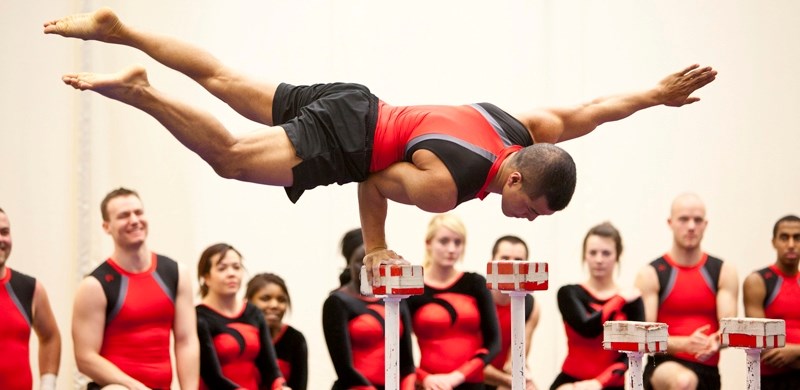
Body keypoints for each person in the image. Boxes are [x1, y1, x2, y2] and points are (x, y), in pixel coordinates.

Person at [44, 8, 717, 276]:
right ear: (517, 183)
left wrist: (653, 96)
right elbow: (372, 181)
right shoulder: (447, 186)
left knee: (223, 78)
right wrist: (377, 249)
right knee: (227, 158)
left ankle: (122, 31)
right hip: (349, 139)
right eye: (532, 211)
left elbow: (592, 111)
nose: (526, 222)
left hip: (359, 98)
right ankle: (143, 89)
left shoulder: (520, 128)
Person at [72, 188, 199, 390]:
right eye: (123, 216)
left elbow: (186, 341)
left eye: (138, 212)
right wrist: (135, 387)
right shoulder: (94, 286)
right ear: (107, 226)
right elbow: (85, 357)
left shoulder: (176, 273)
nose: (134, 220)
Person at [635, 194, 738, 390]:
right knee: (684, 381)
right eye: (684, 219)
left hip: (708, 371)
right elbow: (642, 338)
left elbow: (729, 330)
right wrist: (684, 344)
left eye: (697, 220)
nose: (691, 226)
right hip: (663, 367)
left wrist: (717, 341)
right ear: (670, 222)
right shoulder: (650, 274)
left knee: (689, 381)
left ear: (705, 224)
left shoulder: (724, 271)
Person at [406, 214, 501, 390]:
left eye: (458, 242)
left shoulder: (475, 283)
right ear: (428, 243)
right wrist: (424, 378)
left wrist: (458, 376)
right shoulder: (412, 289)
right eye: (444, 241)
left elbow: (494, 342)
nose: (452, 249)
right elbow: (398, 348)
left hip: (471, 383)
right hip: (431, 385)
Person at [550, 222, 644, 390]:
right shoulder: (568, 293)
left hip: (611, 384)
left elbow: (634, 354)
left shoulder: (633, 299)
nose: (599, 260)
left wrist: (598, 383)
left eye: (606, 253)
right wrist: (619, 299)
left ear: (617, 256)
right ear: (585, 255)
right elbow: (587, 327)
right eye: (593, 253)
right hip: (571, 382)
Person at [322, 228, 416, 390]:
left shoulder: (395, 298)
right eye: (362, 262)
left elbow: (407, 364)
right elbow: (344, 369)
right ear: (349, 263)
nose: (372, 269)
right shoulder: (337, 302)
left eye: (378, 262)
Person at [195, 243, 287, 389]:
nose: (231, 273)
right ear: (206, 277)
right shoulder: (199, 317)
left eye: (236, 267)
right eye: (222, 268)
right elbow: (212, 376)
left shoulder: (253, 312)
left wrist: (280, 385)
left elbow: (269, 366)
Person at [0, 208, 61, 390]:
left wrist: (47, 384)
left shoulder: (29, 288)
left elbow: (50, 337)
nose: (0, 240)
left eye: (4, 232)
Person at [742, 215, 800, 389]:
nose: (791, 244)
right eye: (784, 237)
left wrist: (795, 351)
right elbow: (762, 343)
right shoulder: (758, 281)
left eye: (797, 237)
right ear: (774, 242)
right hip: (770, 381)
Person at [484, 235, 540, 390]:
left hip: (502, 379)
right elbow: (470, 362)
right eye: (505, 259)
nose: (512, 266)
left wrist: (524, 380)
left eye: (518, 261)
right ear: (492, 261)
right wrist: (509, 381)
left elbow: (517, 359)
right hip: (473, 377)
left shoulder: (531, 305)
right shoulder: (476, 301)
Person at [246, 272, 309, 390]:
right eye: (265, 299)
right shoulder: (241, 338)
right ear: (248, 302)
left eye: (281, 300)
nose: (275, 305)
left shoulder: (295, 339)